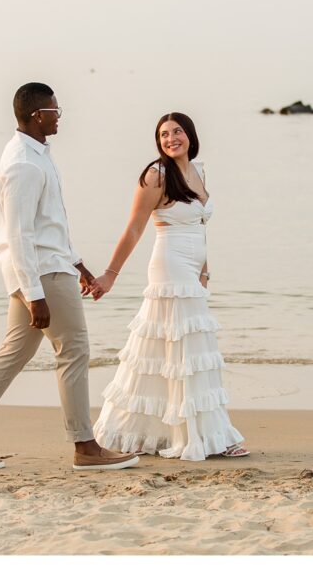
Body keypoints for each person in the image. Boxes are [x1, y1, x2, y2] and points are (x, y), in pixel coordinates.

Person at [0, 82, 139, 471]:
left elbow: (48, 225)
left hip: (49, 267)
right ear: (37, 116)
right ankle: (85, 446)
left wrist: (79, 265)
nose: (59, 116)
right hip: (42, 274)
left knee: (14, 351)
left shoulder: (37, 155)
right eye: (55, 110)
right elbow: (19, 235)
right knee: (74, 350)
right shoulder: (23, 163)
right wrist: (34, 294)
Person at [90, 113, 248, 461]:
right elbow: (134, 228)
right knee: (183, 353)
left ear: (190, 135)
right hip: (170, 266)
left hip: (193, 272)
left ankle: (204, 434)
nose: (171, 138)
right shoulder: (156, 175)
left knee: (184, 353)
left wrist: (206, 272)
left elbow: (202, 228)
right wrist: (110, 274)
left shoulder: (199, 170)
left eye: (177, 132)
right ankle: (198, 438)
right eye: (163, 134)